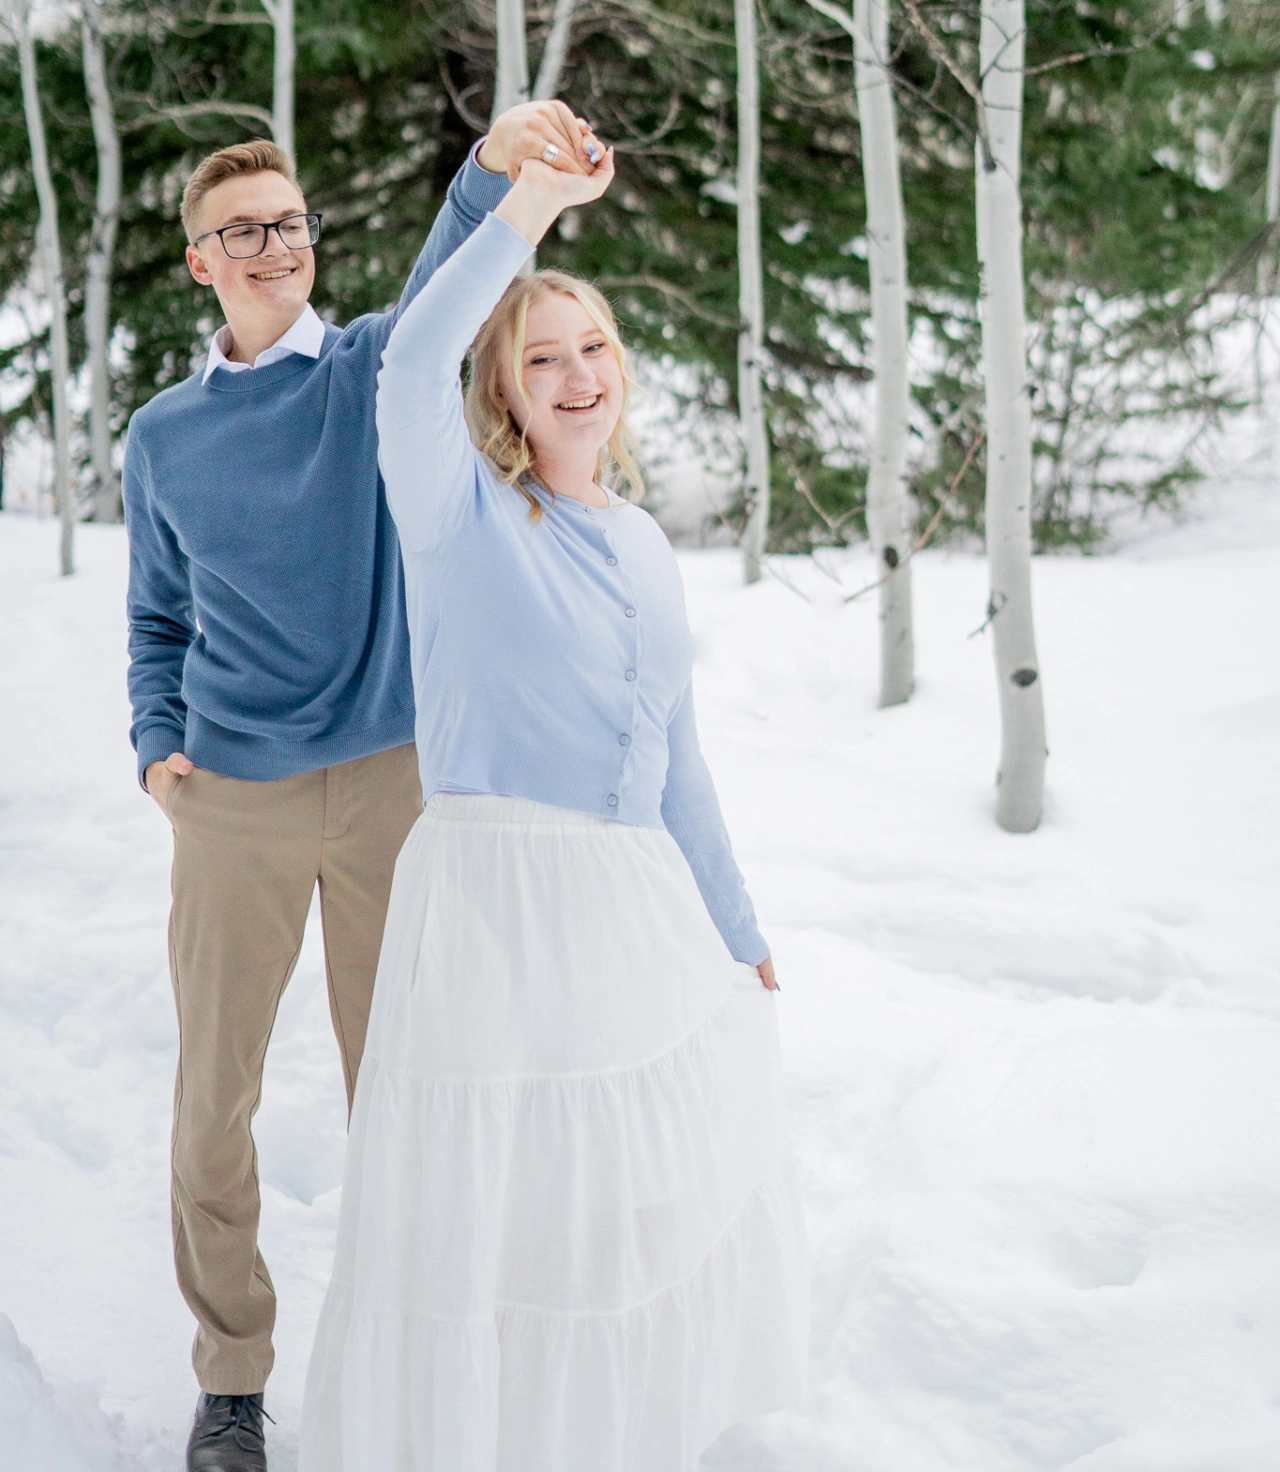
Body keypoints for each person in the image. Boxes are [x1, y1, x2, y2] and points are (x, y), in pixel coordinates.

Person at [300, 140, 808, 1470]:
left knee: (623, 1202)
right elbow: (413, 362)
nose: (578, 377)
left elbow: (676, 754)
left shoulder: (641, 541)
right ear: (503, 393)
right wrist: (526, 209)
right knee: (502, 1204)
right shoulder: (461, 513)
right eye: (541, 357)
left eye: (594, 350)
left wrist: (732, 919)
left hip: (631, 902)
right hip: (495, 900)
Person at [123, 104, 598, 1472]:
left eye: (291, 222)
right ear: (202, 263)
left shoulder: (376, 369)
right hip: (232, 803)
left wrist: (495, 165)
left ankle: (430, 1348)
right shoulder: (164, 438)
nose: (277, 245)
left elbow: (461, 266)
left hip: (390, 789)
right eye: (244, 230)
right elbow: (155, 615)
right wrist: (156, 744)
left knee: (407, 1089)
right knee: (214, 1100)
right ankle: (230, 1381)